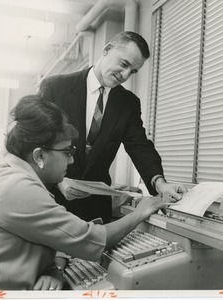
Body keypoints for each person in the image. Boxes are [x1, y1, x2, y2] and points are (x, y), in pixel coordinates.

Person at [0, 95, 166, 290]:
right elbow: (90, 240)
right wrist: (141, 212)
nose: (71, 161)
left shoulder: (12, 175)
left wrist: (56, 268)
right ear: (39, 155)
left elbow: (51, 234)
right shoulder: (18, 189)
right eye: (67, 152)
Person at [37, 31, 187, 224]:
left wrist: (160, 184)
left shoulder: (128, 103)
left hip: (95, 207)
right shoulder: (55, 88)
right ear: (107, 50)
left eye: (132, 71)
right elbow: (35, 143)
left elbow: (139, 146)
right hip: (52, 200)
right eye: (124, 64)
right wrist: (57, 181)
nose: (125, 75)